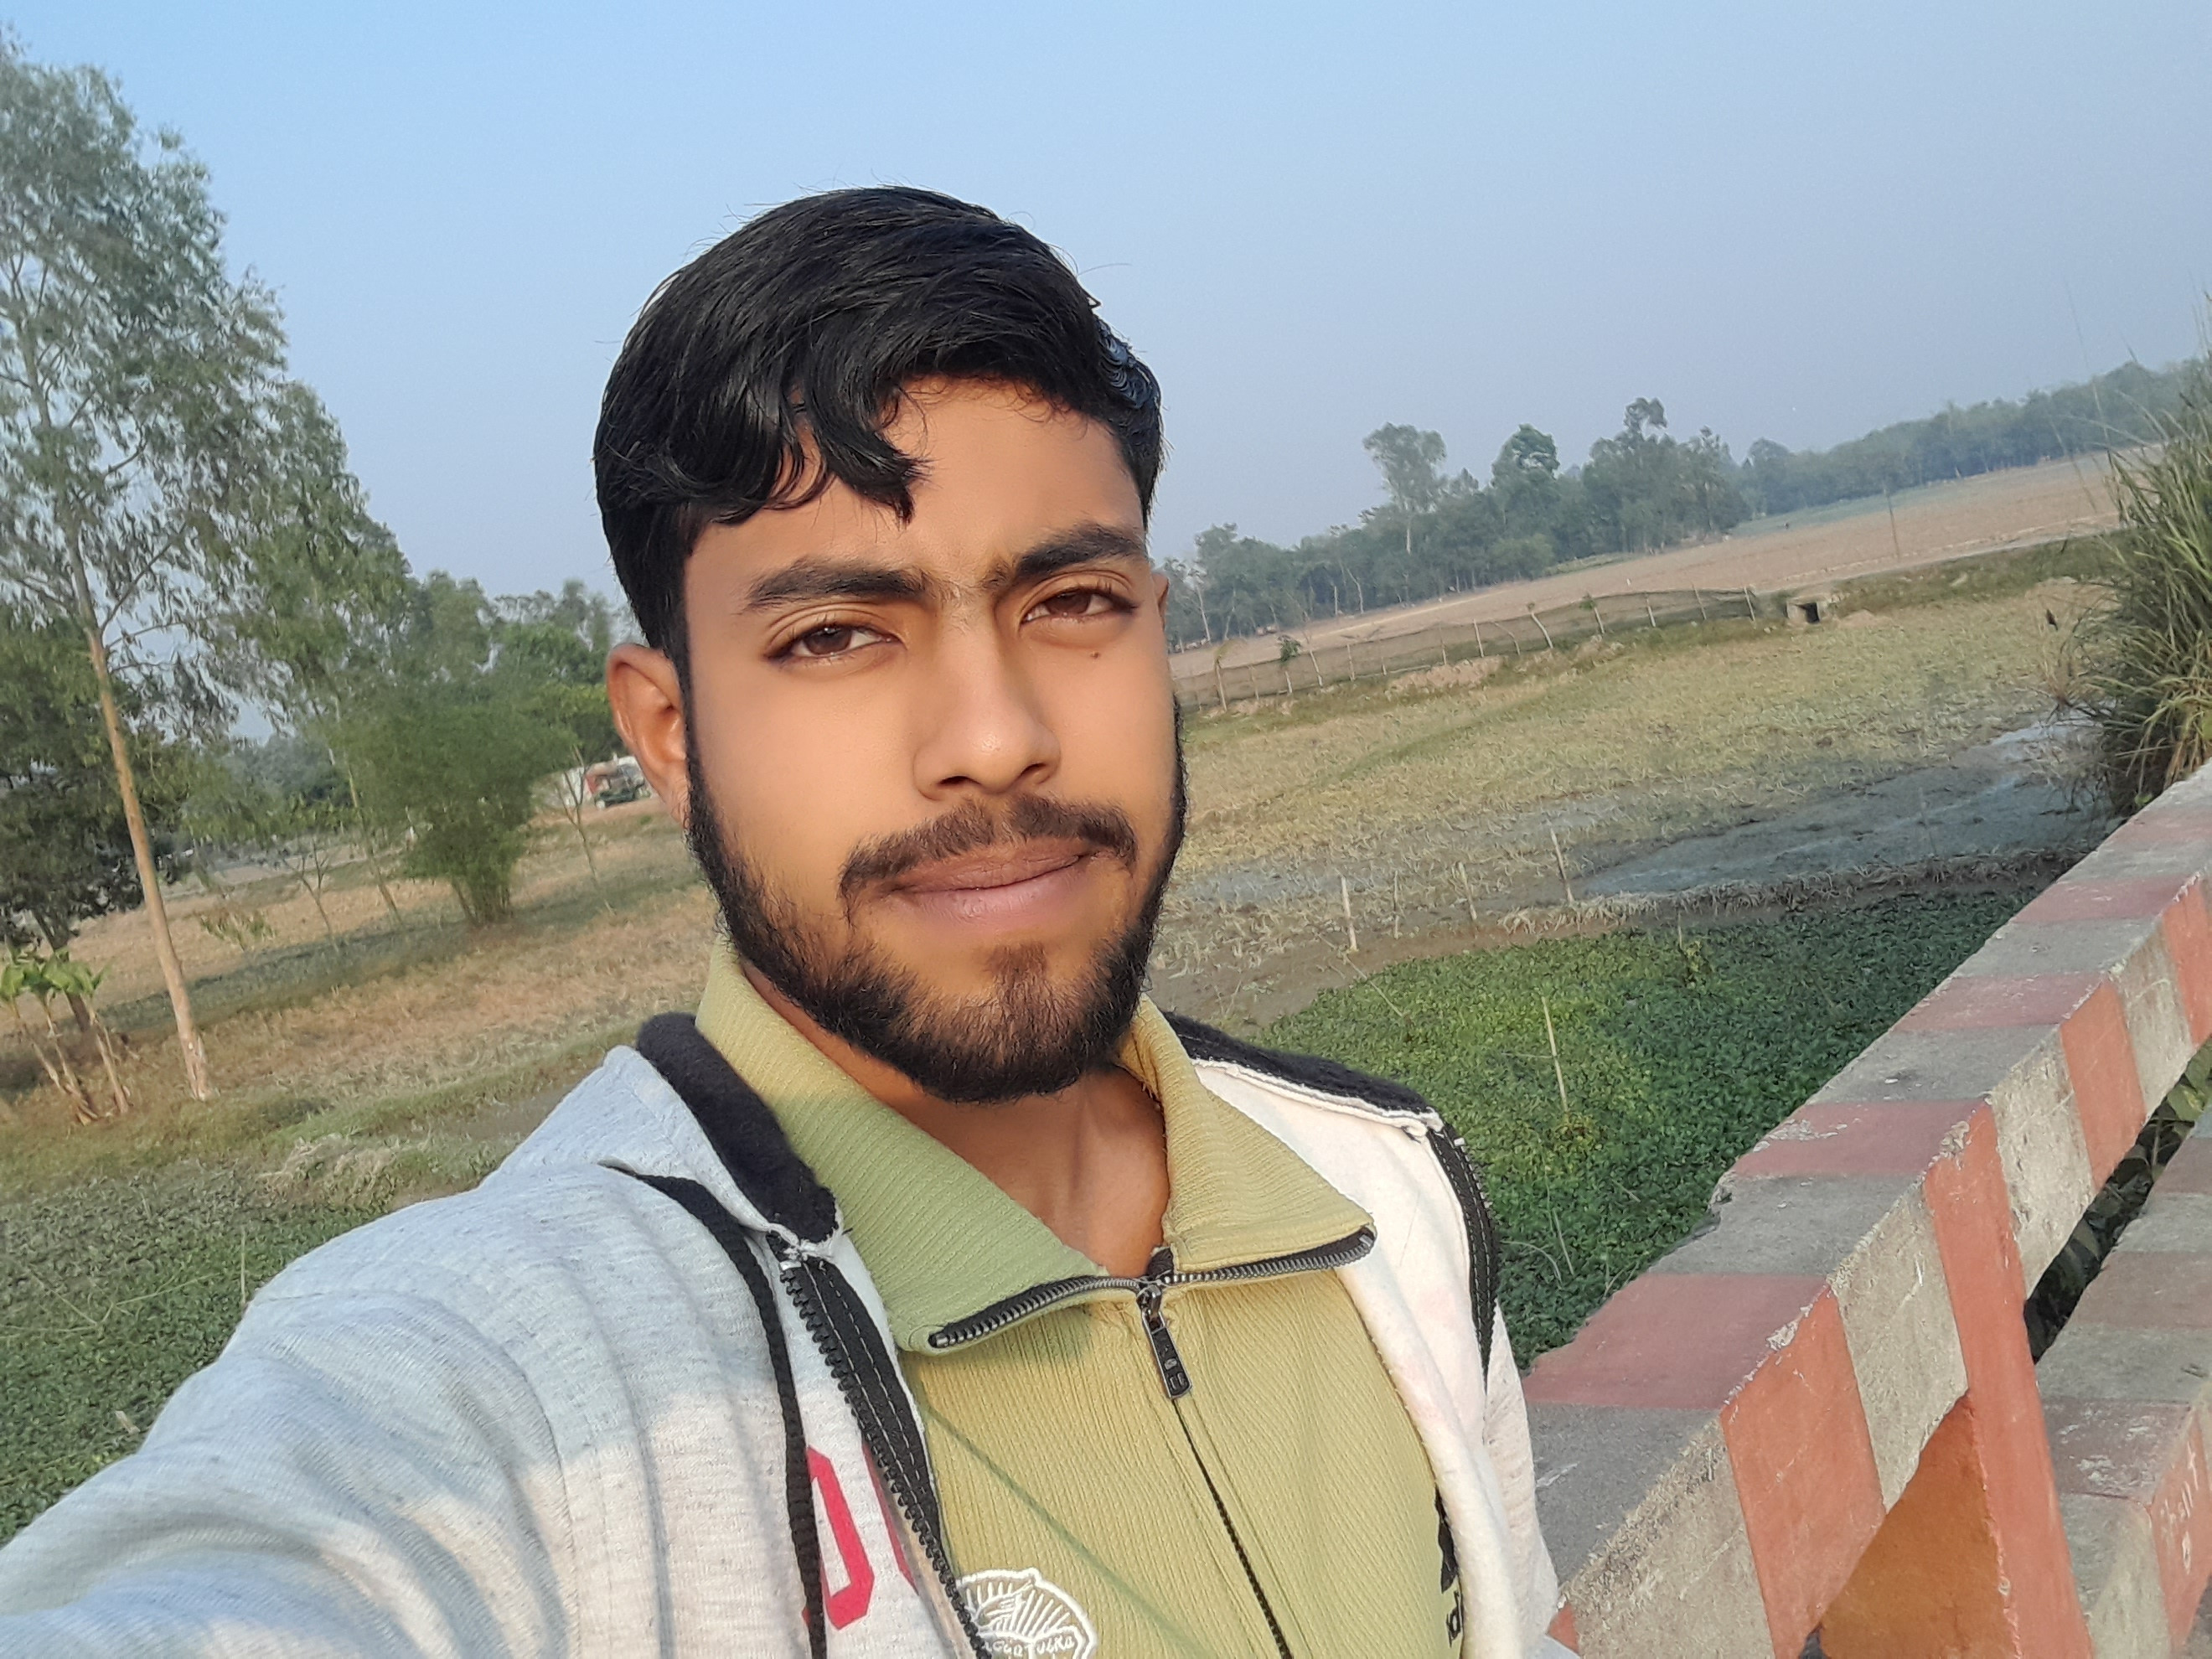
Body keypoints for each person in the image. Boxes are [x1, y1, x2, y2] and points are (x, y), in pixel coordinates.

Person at [0, 188, 1561, 1656]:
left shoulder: (1381, 1191)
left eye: (1073, 603)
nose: (996, 736)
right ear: (670, 735)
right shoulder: (527, 1368)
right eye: (833, 635)